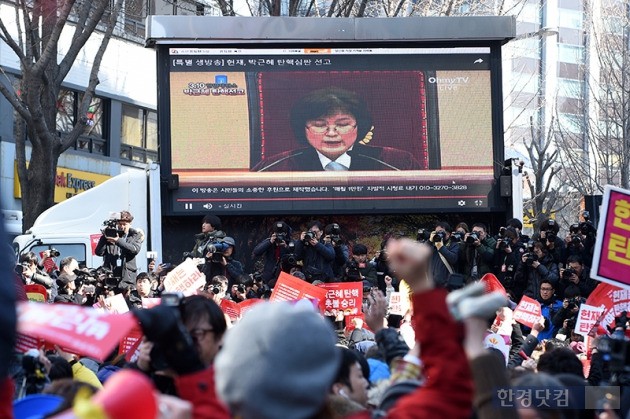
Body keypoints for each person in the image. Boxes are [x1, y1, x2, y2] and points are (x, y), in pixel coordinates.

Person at [252, 88, 423, 172]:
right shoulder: (274, 167)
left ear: (359, 126)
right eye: (320, 125)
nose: (332, 133)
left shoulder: (397, 163)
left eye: (342, 124)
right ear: (303, 128)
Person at [95, 210, 144, 291]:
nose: (122, 226)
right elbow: (98, 252)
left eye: (125, 224)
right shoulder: (111, 235)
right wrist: (104, 237)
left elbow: (134, 250)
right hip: (111, 279)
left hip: (127, 280)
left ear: (130, 223)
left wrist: (118, 240)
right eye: (120, 224)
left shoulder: (135, 235)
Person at [251, 220, 294, 286]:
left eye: (281, 234)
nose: (279, 236)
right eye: (277, 233)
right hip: (269, 274)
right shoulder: (269, 241)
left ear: (285, 234)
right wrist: (270, 242)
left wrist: (285, 246)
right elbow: (256, 252)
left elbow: (295, 256)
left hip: (284, 275)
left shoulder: (290, 243)